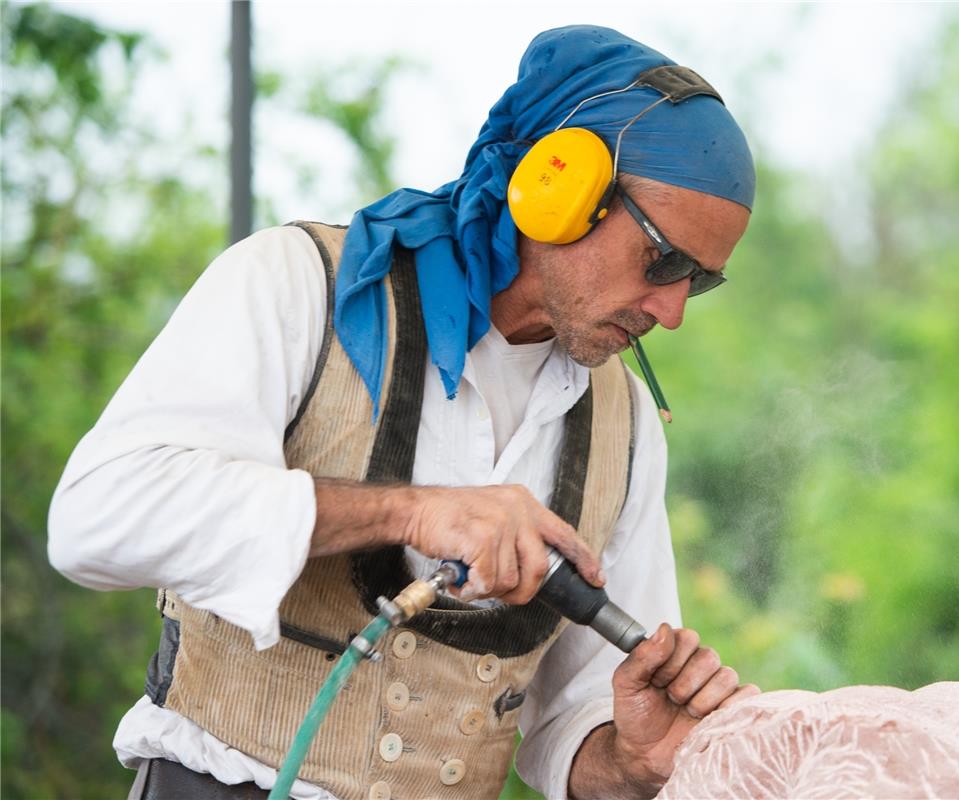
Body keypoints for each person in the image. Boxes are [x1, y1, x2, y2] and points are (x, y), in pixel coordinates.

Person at [48, 25, 757, 800]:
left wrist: (625, 759)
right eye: (665, 260)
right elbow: (96, 520)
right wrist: (412, 512)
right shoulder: (296, 285)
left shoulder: (625, 427)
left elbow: (572, 721)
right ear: (558, 189)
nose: (673, 310)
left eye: (701, 281)